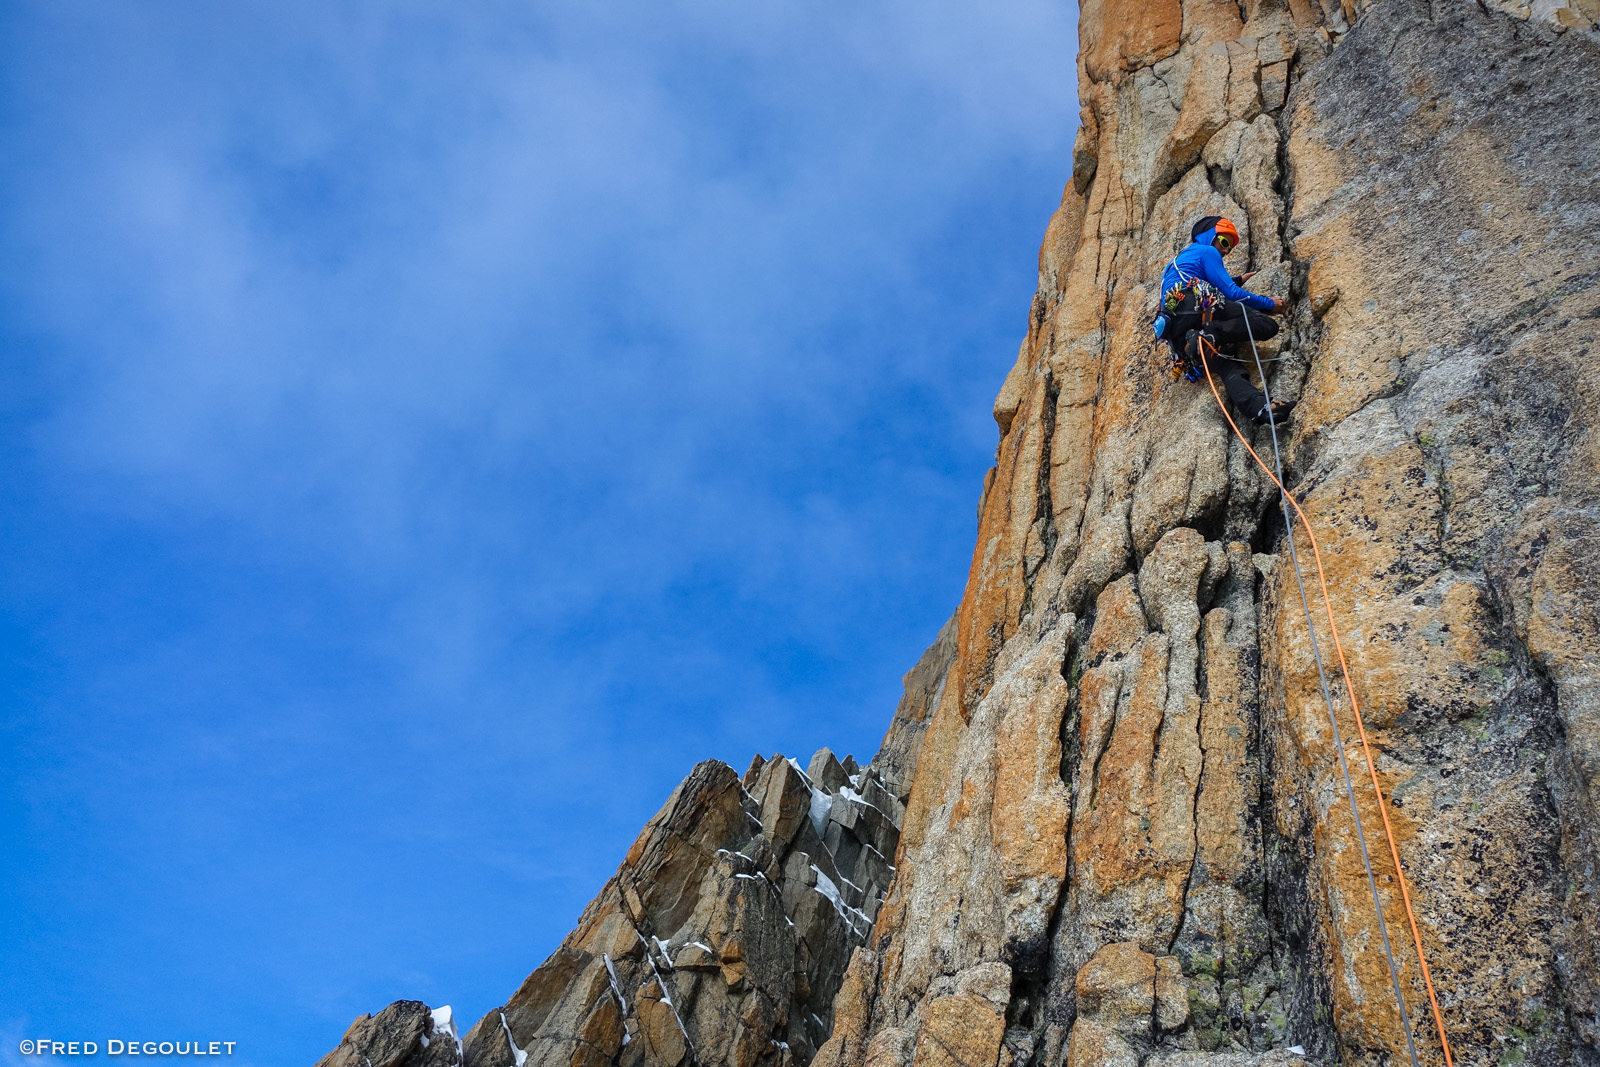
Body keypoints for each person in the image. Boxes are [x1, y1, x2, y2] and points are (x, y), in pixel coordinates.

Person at [1157, 216, 1292, 425]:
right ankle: (1213, 333)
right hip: (1196, 308)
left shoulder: (1177, 264)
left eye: (1230, 248)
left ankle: (1259, 408)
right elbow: (1232, 293)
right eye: (1225, 242)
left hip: (1178, 334)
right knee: (1266, 325)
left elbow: (1211, 282)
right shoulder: (1206, 250)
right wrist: (1269, 303)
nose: (1227, 251)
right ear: (1210, 236)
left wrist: (1238, 279)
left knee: (1226, 365)